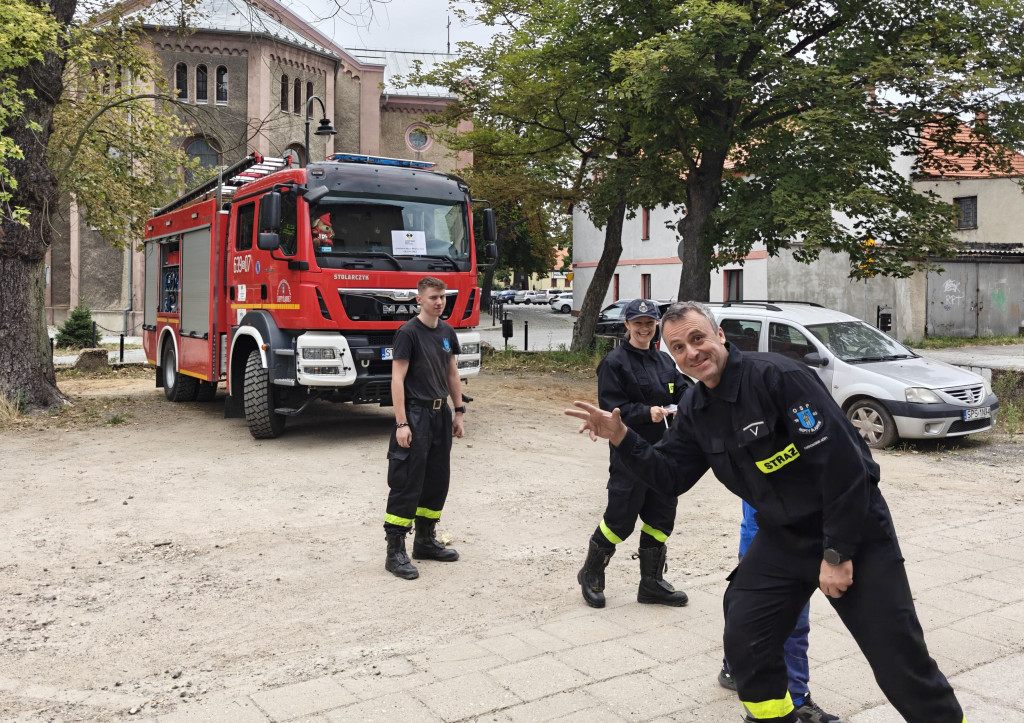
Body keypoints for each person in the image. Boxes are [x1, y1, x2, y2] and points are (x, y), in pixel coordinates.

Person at [566, 301, 966, 723]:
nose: (691, 352)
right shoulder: (697, 408)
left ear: (720, 336)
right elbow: (669, 476)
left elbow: (845, 468)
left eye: (698, 338)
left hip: (852, 527)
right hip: (783, 535)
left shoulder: (778, 377)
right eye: (678, 347)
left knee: (897, 657)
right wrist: (623, 437)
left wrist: (837, 553)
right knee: (747, 635)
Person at [578, 299, 690, 608]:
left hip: (664, 452)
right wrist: (645, 412)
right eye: (638, 323)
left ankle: (651, 583)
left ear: (656, 325)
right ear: (627, 325)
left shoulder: (665, 361)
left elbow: (683, 391)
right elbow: (612, 409)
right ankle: (591, 574)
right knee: (620, 519)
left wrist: (693, 401)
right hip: (630, 452)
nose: (644, 328)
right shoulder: (614, 363)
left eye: (649, 323)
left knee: (661, 517)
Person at [718, 501, 844, 723]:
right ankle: (794, 698)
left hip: (794, 541)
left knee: (787, 624)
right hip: (768, 547)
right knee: (752, 623)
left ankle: (795, 695)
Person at [383, 276, 465, 580]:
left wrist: (458, 411)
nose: (439, 302)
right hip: (415, 415)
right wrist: (402, 422)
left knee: (436, 480)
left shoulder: (447, 332)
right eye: (433, 297)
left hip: (440, 414)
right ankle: (395, 552)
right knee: (407, 481)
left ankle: (425, 541)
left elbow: (452, 373)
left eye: (442, 297)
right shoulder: (408, 333)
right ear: (419, 300)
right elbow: (397, 380)